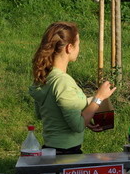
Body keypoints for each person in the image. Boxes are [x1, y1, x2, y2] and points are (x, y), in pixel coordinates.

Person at [29, 22, 116, 154]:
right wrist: (98, 98)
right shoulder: (63, 82)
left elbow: (45, 113)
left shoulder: (46, 77)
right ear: (69, 48)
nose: (79, 49)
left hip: (51, 151)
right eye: (78, 44)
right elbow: (78, 126)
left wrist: (87, 115)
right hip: (66, 155)